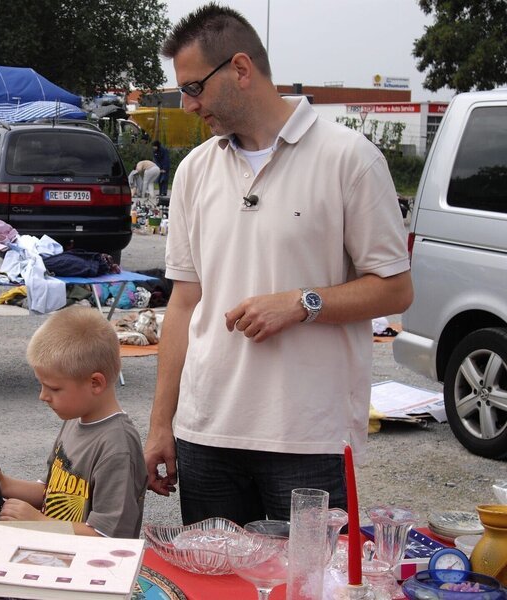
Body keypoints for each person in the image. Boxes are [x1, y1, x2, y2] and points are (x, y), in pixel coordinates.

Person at [143, 3, 413, 525]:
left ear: (240, 70)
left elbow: (396, 289)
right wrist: (162, 424)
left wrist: (303, 303)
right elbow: (183, 304)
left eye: (194, 87)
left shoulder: (349, 158)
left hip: (307, 439)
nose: (188, 104)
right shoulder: (194, 171)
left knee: (304, 585)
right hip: (205, 436)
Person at [0, 306, 147, 538]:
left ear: (95, 383)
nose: (43, 396)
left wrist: (39, 522)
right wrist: (4, 484)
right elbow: (52, 492)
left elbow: (108, 536)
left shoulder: (117, 447)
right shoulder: (76, 419)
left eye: (53, 388)